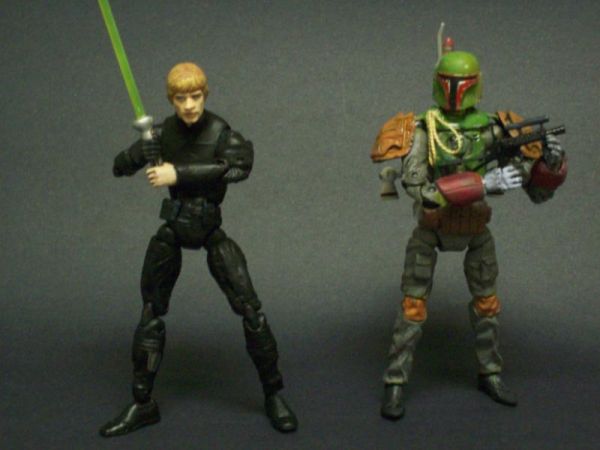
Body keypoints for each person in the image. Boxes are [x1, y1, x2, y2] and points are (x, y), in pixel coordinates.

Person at [100, 62, 298, 436]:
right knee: (150, 314)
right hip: (174, 228)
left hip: (209, 230)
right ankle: (142, 402)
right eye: (180, 98)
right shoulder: (162, 133)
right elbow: (118, 167)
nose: (189, 105)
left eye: (195, 96)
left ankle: (274, 394)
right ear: (171, 100)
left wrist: (177, 173)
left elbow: (238, 167)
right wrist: (142, 150)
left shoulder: (221, 132)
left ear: (205, 95)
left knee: (251, 310)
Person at [371, 44, 567, 420]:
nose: (455, 92)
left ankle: (489, 373)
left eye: (461, 83)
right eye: (449, 82)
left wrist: (550, 165)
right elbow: (419, 189)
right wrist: (482, 182)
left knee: (487, 305)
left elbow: (537, 192)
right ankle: (395, 381)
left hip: (475, 227)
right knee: (412, 307)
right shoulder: (422, 130)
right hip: (433, 228)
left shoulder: (496, 128)